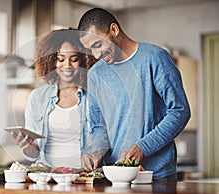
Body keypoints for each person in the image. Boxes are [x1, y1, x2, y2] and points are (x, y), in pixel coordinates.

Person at [77, 8, 191, 181]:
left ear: (114, 30)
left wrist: (142, 147)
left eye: (97, 45)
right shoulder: (95, 74)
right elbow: (100, 126)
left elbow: (180, 111)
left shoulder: (155, 58)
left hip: (156, 176)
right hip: (114, 176)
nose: (96, 55)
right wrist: (96, 152)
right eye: (90, 49)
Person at [13, 29, 96, 169]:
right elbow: (33, 155)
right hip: (47, 176)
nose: (67, 65)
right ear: (51, 61)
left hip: (84, 176)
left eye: (74, 59)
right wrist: (28, 146)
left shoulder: (94, 97)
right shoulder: (37, 98)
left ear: (83, 60)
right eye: (60, 59)